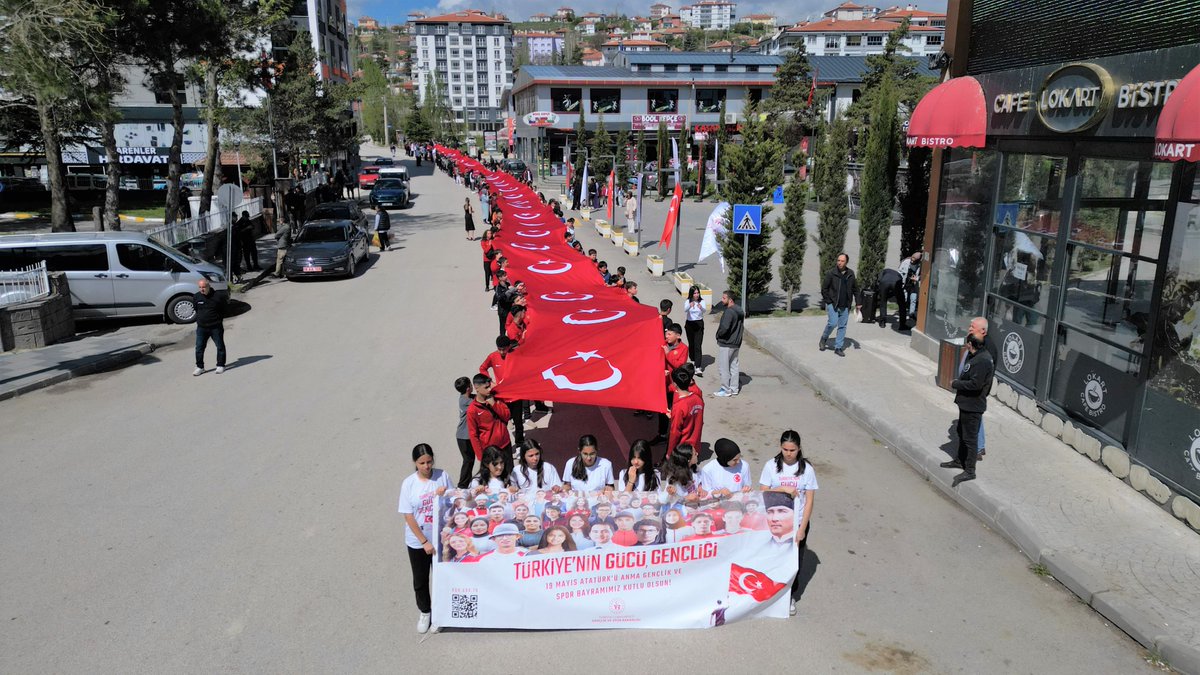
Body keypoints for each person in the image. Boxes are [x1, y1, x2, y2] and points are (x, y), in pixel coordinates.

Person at [759, 429, 818, 616]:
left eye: (792, 450)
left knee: (794, 562)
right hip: (775, 522)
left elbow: (809, 500)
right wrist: (782, 489)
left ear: (799, 449)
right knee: (774, 558)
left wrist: (802, 528)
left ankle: (790, 595)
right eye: (785, 449)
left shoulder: (807, 469)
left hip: (797, 523)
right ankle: (771, 594)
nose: (788, 454)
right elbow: (763, 492)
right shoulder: (771, 466)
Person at [397, 443, 451, 634]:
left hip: (440, 539)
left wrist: (445, 495)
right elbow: (408, 515)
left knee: (441, 578)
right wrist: (423, 541)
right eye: (422, 463)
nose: (427, 466)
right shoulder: (409, 483)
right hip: (418, 541)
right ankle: (425, 612)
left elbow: (453, 502)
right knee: (420, 579)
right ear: (415, 463)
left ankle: (439, 614)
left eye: (429, 462)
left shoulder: (442, 475)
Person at [941, 332, 994, 486]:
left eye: (967, 342)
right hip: (966, 403)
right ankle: (959, 461)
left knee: (970, 439)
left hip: (973, 405)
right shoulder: (975, 355)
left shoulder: (983, 360)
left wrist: (956, 383)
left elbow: (975, 385)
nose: (966, 345)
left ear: (970, 343)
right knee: (961, 433)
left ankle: (970, 470)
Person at [966, 316, 999, 461]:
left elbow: (982, 372)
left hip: (979, 387)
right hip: (974, 385)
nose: (969, 329)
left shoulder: (988, 348)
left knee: (974, 415)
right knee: (975, 415)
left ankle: (978, 448)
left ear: (983, 331)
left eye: (972, 327)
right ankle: (980, 446)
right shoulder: (976, 340)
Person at [819, 253, 861, 357]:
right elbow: (824, 289)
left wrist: (858, 302)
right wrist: (828, 302)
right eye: (838, 260)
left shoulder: (850, 274)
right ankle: (824, 338)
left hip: (845, 305)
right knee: (832, 323)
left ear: (846, 262)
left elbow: (856, 289)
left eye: (842, 261)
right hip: (833, 304)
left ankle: (838, 347)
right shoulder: (831, 273)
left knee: (842, 326)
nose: (839, 263)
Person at [466, 374, 512, 463]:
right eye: (486, 387)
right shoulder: (472, 410)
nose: (490, 389)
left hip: (505, 444)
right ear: (476, 388)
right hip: (491, 450)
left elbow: (507, 416)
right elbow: (473, 435)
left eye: (489, 386)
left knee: (510, 474)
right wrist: (481, 456)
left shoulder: (496, 399)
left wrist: (494, 404)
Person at [667, 367, 704, 459]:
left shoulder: (679, 406)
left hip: (682, 450)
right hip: (694, 447)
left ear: (675, 384)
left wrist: (669, 452)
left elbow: (675, 432)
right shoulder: (698, 399)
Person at [192, 279, 228, 376]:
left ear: (209, 286)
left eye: (203, 287)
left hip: (215, 327)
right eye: (200, 287)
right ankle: (200, 367)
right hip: (202, 328)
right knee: (199, 348)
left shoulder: (218, 296)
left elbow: (224, 309)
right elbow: (196, 308)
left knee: (220, 346)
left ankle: (220, 365)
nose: (202, 289)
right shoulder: (196, 297)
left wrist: (218, 320)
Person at [713, 290, 744, 397]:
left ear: (730, 300)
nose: (722, 300)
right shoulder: (739, 310)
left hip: (727, 343)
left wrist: (719, 335)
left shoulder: (729, 312)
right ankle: (734, 388)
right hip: (736, 343)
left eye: (724, 298)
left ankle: (725, 389)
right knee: (734, 366)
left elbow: (725, 328)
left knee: (724, 367)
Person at [453, 376, 476, 489]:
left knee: (470, 460)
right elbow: (479, 401)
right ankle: (462, 486)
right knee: (468, 460)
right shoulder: (466, 401)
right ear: (468, 388)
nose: (473, 386)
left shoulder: (467, 397)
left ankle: (466, 483)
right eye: (471, 385)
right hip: (463, 437)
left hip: (467, 436)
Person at [683, 285, 707, 375]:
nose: (697, 295)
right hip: (690, 324)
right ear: (691, 294)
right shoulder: (688, 301)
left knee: (698, 345)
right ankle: (692, 359)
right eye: (695, 293)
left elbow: (704, 311)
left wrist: (701, 308)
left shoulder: (702, 301)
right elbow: (685, 310)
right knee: (691, 343)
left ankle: (698, 367)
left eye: (698, 293)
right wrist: (690, 305)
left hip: (699, 324)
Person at [897, 251, 922, 323]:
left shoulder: (920, 265)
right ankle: (902, 312)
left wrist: (916, 279)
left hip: (913, 284)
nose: (912, 260)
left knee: (913, 299)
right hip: (904, 283)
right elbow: (899, 271)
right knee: (903, 298)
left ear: (918, 260)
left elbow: (922, 276)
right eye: (912, 258)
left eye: (914, 259)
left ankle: (911, 314)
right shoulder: (906, 262)